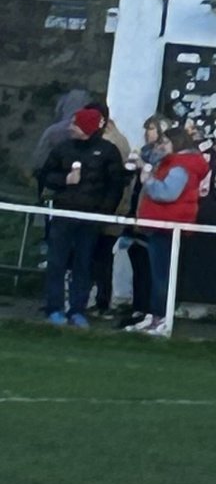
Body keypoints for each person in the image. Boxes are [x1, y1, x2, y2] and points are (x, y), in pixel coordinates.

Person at [36, 104, 124, 326]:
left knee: (83, 264)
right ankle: (54, 308)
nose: (70, 127)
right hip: (64, 213)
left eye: (76, 123)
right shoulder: (63, 149)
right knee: (57, 262)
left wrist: (104, 212)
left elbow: (115, 185)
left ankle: (77, 309)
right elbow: (45, 174)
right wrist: (64, 181)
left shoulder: (108, 152)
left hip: (90, 217)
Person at [130, 120, 206, 335]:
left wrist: (148, 180)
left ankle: (161, 317)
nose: (160, 145)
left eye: (164, 142)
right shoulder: (171, 162)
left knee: (162, 274)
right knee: (158, 273)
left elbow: (167, 193)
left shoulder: (181, 166)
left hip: (167, 225)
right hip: (160, 224)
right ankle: (155, 315)